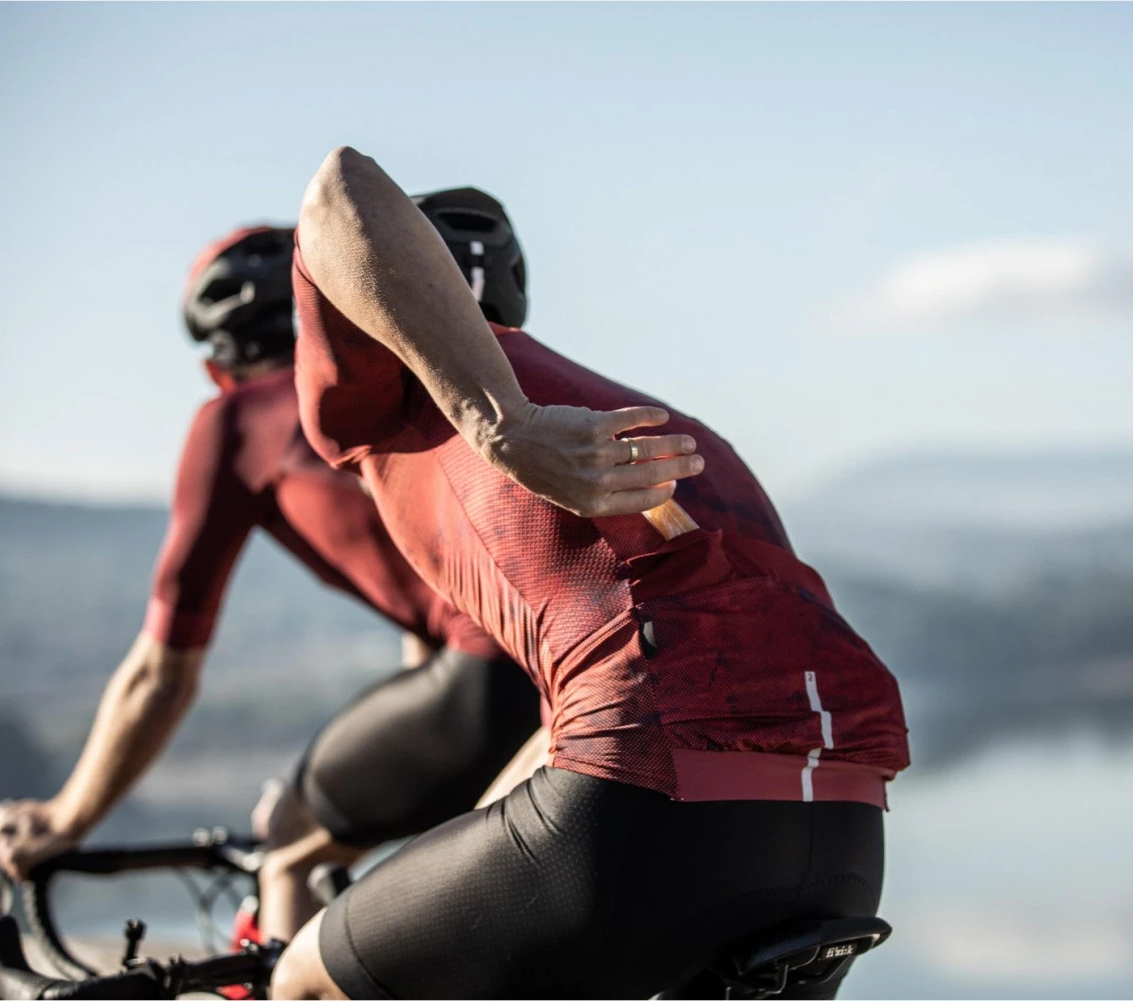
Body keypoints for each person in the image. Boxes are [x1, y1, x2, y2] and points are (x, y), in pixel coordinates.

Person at [271, 148, 911, 1000]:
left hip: (649, 805)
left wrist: (500, 424)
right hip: (843, 833)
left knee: (306, 980)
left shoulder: (401, 396)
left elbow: (340, 191)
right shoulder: (667, 425)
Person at [0, 226, 542, 946]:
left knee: (289, 836)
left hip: (492, 675)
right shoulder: (396, 381)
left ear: (218, 369)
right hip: (569, 662)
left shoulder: (237, 421)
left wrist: (66, 818)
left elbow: (162, 671)